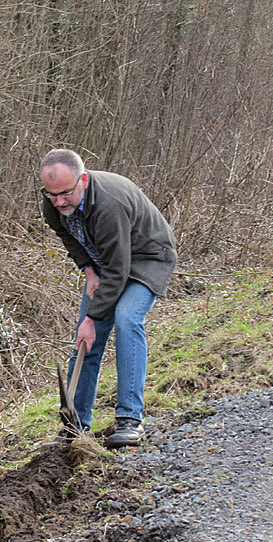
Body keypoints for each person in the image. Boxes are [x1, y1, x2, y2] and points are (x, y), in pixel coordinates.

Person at [40, 149, 177, 448]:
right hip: (105, 262)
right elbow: (68, 237)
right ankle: (74, 428)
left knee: (127, 319)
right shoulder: (53, 203)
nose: (59, 201)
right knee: (86, 341)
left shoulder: (109, 204)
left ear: (83, 180)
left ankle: (130, 420)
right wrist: (88, 270)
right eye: (52, 195)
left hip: (148, 257)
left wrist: (91, 317)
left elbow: (119, 269)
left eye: (65, 193)